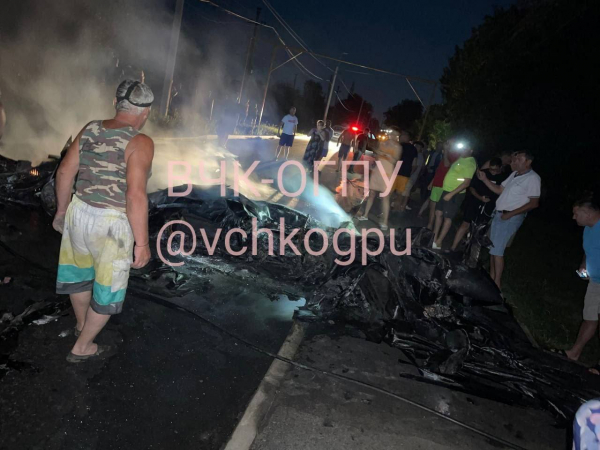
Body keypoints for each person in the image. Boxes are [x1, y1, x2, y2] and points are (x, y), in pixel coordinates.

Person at [52, 80, 155, 362]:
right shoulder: (141, 141)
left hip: (79, 211)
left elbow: (64, 173)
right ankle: (83, 346)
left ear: (115, 103)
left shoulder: (91, 128)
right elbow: (135, 195)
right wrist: (142, 244)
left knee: (80, 275)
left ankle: (80, 325)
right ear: (145, 112)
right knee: (108, 288)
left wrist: (61, 213)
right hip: (111, 224)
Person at [477, 150, 541, 289]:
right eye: (514, 159)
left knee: (498, 251)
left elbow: (533, 203)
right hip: (499, 215)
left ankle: (496, 285)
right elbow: (499, 189)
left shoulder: (533, 178)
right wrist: (484, 179)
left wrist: (510, 214)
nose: (514, 161)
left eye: (518, 159)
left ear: (528, 162)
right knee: (493, 249)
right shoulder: (514, 174)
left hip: (510, 218)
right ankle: (491, 281)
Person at [559, 195, 600, 363]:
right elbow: (588, 250)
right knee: (589, 317)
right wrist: (584, 265)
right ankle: (574, 353)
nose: (573, 217)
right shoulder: (588, 229)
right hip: (595, 281)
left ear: (587, 213)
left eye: (576, 214)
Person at [449, 157, 504, 252]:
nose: (493, 172)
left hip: (489, 207)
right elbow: (472, 188)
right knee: (465, 224)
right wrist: (480, 197)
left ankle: (470, 252)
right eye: (491, 169)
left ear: (500, 167)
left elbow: (502, 192)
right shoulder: (482, 173)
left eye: (495, 170)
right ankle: (452, 247)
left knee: (480, 229)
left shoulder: (503, 177)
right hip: (475, 202)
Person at [432, 139, 477, 249]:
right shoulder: (460, 158)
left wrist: (451, 194)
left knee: (447, 218)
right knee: (438, 213)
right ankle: (433, 238)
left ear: (471, 150)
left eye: (465, 148)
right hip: (445, 190)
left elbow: (466, 183)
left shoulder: (470, 163)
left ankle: (439, 241)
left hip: (455, 194)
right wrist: (447, 148)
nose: (462, 150)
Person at [355, 129, 402, 230]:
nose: (392, 136)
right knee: (371, 193)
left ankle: (384, 221)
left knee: (385, 197)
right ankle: (365, 214)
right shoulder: (382, 143)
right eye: (391, 133)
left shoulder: (397, 147)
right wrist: (376, 158)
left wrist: (388, 156)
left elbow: (395, 160)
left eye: (395, 134)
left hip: (387, 171)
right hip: (378, 170)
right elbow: (376, 155)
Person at [391, 131, 417, 211]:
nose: (399, 138)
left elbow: (394, 159)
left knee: (390, 192)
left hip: (395, 172)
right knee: (400, 194)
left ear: (405, 137)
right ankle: (395, 210)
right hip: (405, 174)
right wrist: (410, 173)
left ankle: (386, 209)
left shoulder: (399, 146)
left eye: (401, 136)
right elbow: (414, 164)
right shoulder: (414, 149)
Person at [417, 142, 445, 218]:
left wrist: (432, 169)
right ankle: (421, 210)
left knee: (431, 198)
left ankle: (425, 212)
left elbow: (438, 167)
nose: (439, 147)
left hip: (437, 177)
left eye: (440, 146)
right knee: (428, 192)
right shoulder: (432, 153)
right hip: (432, 176)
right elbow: (428, 160)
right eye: (438, 146)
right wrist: (426, 168)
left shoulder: (442, 156)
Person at [401, 140, 425, 211]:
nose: (416, 147)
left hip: (411, 177)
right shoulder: (415, 154)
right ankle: (402, 205)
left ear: (421, 148)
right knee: (405, 192)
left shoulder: (419, 156)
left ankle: (402, 206)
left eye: (418, 146)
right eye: (415, 146)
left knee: (406, 192)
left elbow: (416, 167)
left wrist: (409, 174)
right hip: (411, 176)